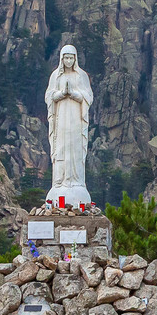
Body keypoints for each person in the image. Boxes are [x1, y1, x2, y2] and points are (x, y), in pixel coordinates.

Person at [44, 44, 94, 206]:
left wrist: (73, 94)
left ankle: (76, 181)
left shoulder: (81, 76)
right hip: (61, 119)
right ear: (61, 59)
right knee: (61, 147)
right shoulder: (55, 76)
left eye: (71, 58)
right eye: (66, 57)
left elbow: (88, 97)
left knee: (75, 147)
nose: (68, 61)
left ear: (75, 59)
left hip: (76, 119)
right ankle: (60, 181)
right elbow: (49, 96)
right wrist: (61, 94)